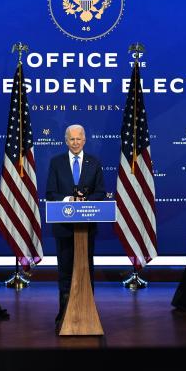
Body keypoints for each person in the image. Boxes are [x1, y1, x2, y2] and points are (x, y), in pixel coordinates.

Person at [46, 124, 106, 330]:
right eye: (71, 139)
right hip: (63, 228)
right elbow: (50, 193)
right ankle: (63, 315)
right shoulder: (56, 163)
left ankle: (87, 313)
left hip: (86, 228)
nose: (75, 143)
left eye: (78, 139)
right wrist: (68, 199)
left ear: (85, 140)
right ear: (65, 141)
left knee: (85, 270)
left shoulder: (94, 163)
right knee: (65, 272)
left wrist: (85, 201)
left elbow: (101, 192)